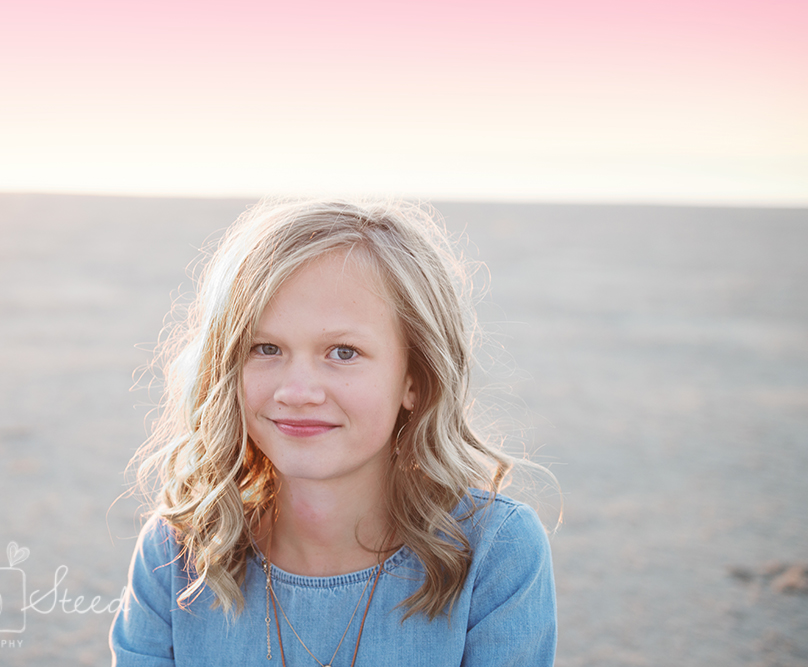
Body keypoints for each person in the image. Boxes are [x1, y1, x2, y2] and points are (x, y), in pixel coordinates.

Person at [110, 199, 557, 666]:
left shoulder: (495, 550)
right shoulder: (178, 552)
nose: (297, 391)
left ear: (414, 379)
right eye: (266, 348)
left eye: (343, 352)